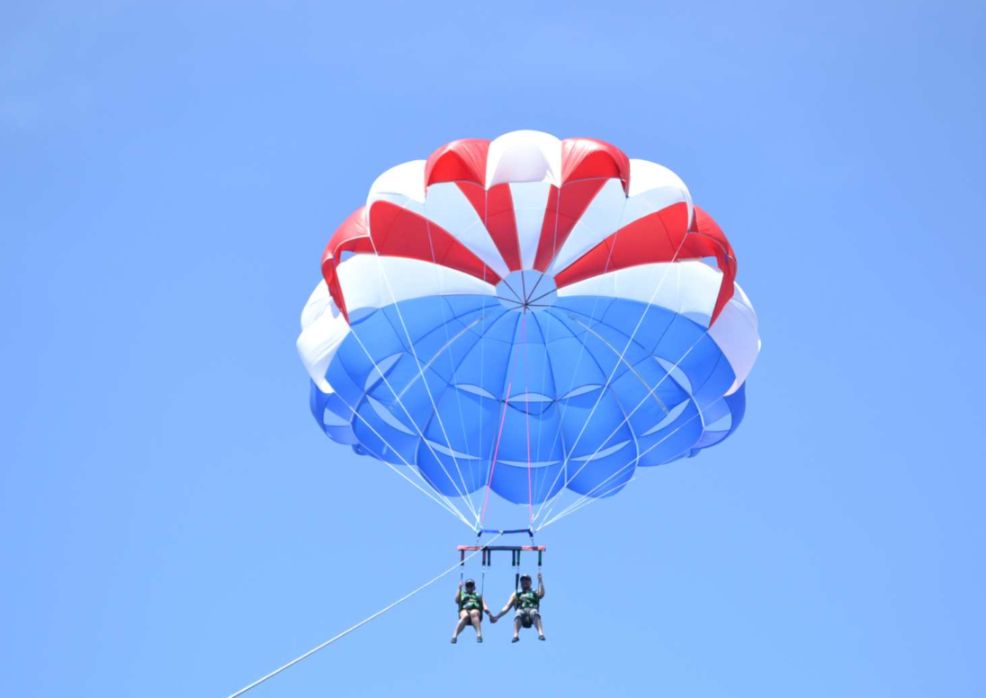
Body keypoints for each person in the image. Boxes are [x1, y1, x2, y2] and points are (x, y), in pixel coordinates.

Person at [493, 572, 545, 642]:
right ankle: (515, 635)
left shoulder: (534, 591)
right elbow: (507, 606)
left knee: (535, 612)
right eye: (523, 580)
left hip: (532, 609)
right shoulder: (516, 593)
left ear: (530, 582)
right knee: (518, 613)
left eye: (527, 580)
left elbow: (541, 594)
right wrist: (497, 616)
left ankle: (541, 634)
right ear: (520, 582)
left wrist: (540, 581)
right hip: (521, 609)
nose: (525, 581)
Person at [451, 578, 494, 643]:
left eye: (471, 585)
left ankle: (479, 635)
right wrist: (459, 589)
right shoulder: (462, 593)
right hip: (464, 609)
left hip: (475, 610)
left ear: (474, 587)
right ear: (465, 587)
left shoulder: (478, 595)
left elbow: (485, 607)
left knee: (474, 612)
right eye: (468, 585)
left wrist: (490, 615)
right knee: (465, 616)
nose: (469, 587)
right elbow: (457, 600)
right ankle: (454, 636)